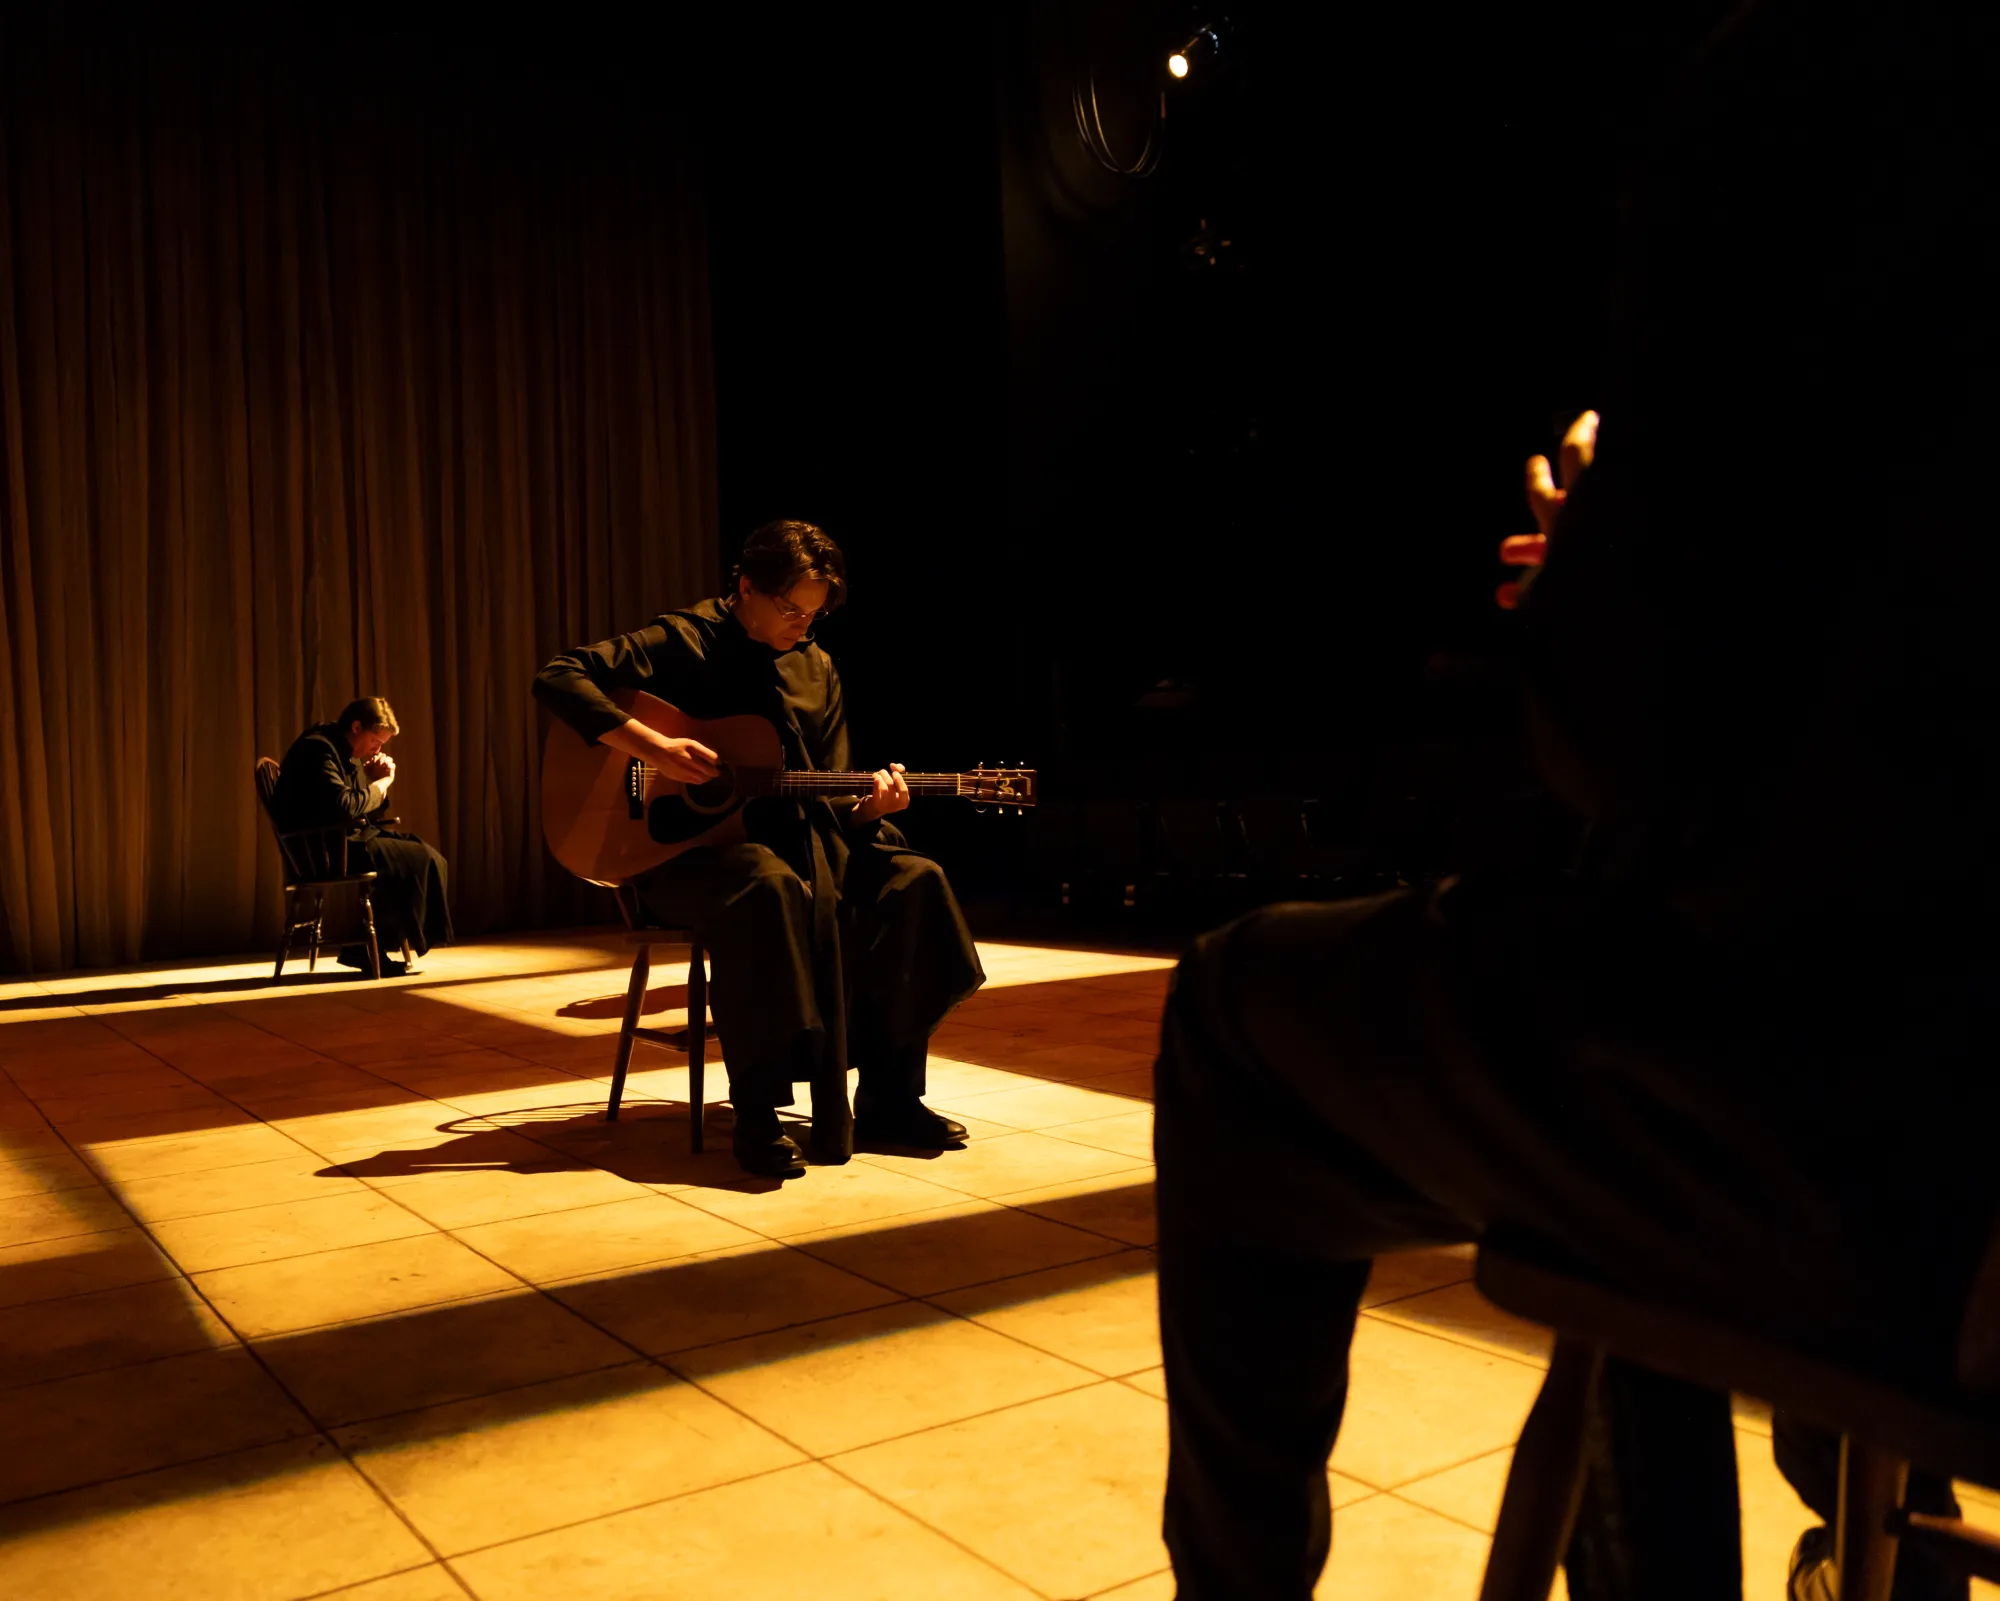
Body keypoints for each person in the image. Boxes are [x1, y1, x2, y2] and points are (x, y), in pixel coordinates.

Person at [1152, 2, 2000, 1597]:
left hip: (1894, 1143)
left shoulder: (1816, 100)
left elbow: (1629, 751)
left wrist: (1596, 573)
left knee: (1241, 1020)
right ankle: (1872, 1513)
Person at [532, 520, 985, 1178]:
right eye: (791, 608)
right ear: (745, 587)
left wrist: (869, 807)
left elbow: (829, 791)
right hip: (679, 854)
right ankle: (757, 1109)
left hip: (802, 844)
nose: (804, 623)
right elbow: (559, 675)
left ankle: (889, 1095)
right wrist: (653, 748)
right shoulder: (684, 639)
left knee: (915, 879)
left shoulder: (816, 667)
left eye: (816, 611)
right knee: (764, 884)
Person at [270, 696, 454, 978]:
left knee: (424, 852)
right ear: (356, 727)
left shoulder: (341, 751)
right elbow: (344, 807)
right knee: (418, 858)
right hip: (325, 849)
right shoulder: (318, 749)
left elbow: (354, 805)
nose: (376, 749)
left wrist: (369, 777)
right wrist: (382, 784)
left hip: (340, 841)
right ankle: (367, 949)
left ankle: (375, 945)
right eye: (375, 742)